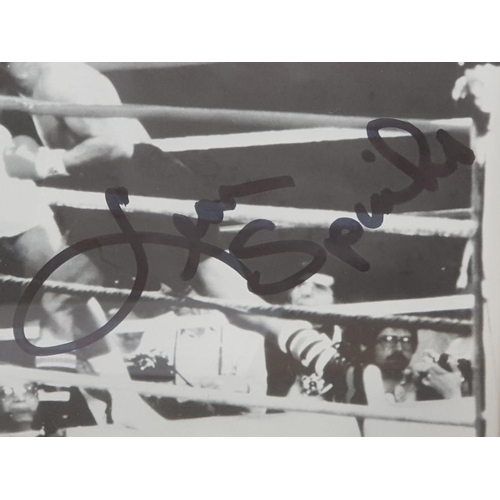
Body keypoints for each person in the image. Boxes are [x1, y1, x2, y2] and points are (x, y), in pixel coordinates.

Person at [126, 288, 267, 419]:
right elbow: (139, 390)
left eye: (179, 294)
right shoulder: (156, 328)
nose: (172, 303)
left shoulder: (245, 331)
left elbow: (259, 403)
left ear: (204, 289)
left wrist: (236, 387)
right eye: (166, 294)